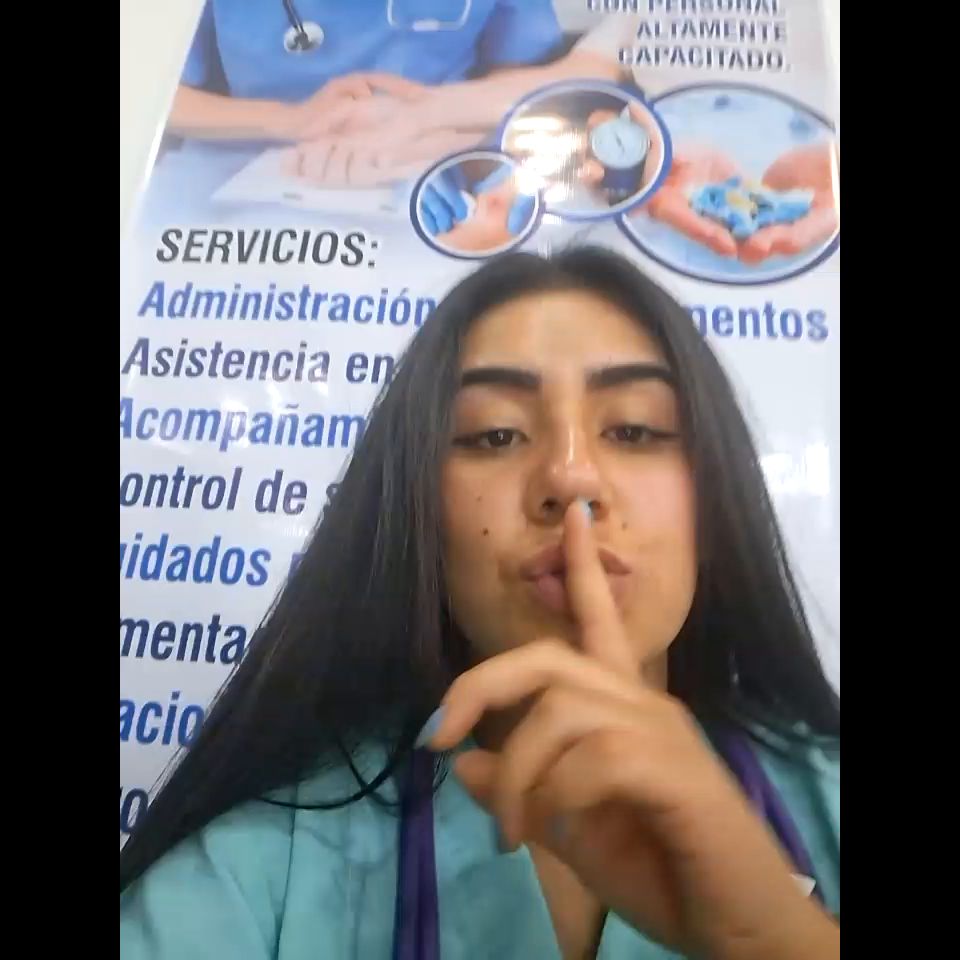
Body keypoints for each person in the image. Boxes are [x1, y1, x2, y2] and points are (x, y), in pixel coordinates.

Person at [119, 247, 840, 959]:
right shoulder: (248, 877)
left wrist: (780, 940)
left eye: (634, 430)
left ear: (713, 507)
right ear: (424, 522)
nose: (571, 477)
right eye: (496, 434)